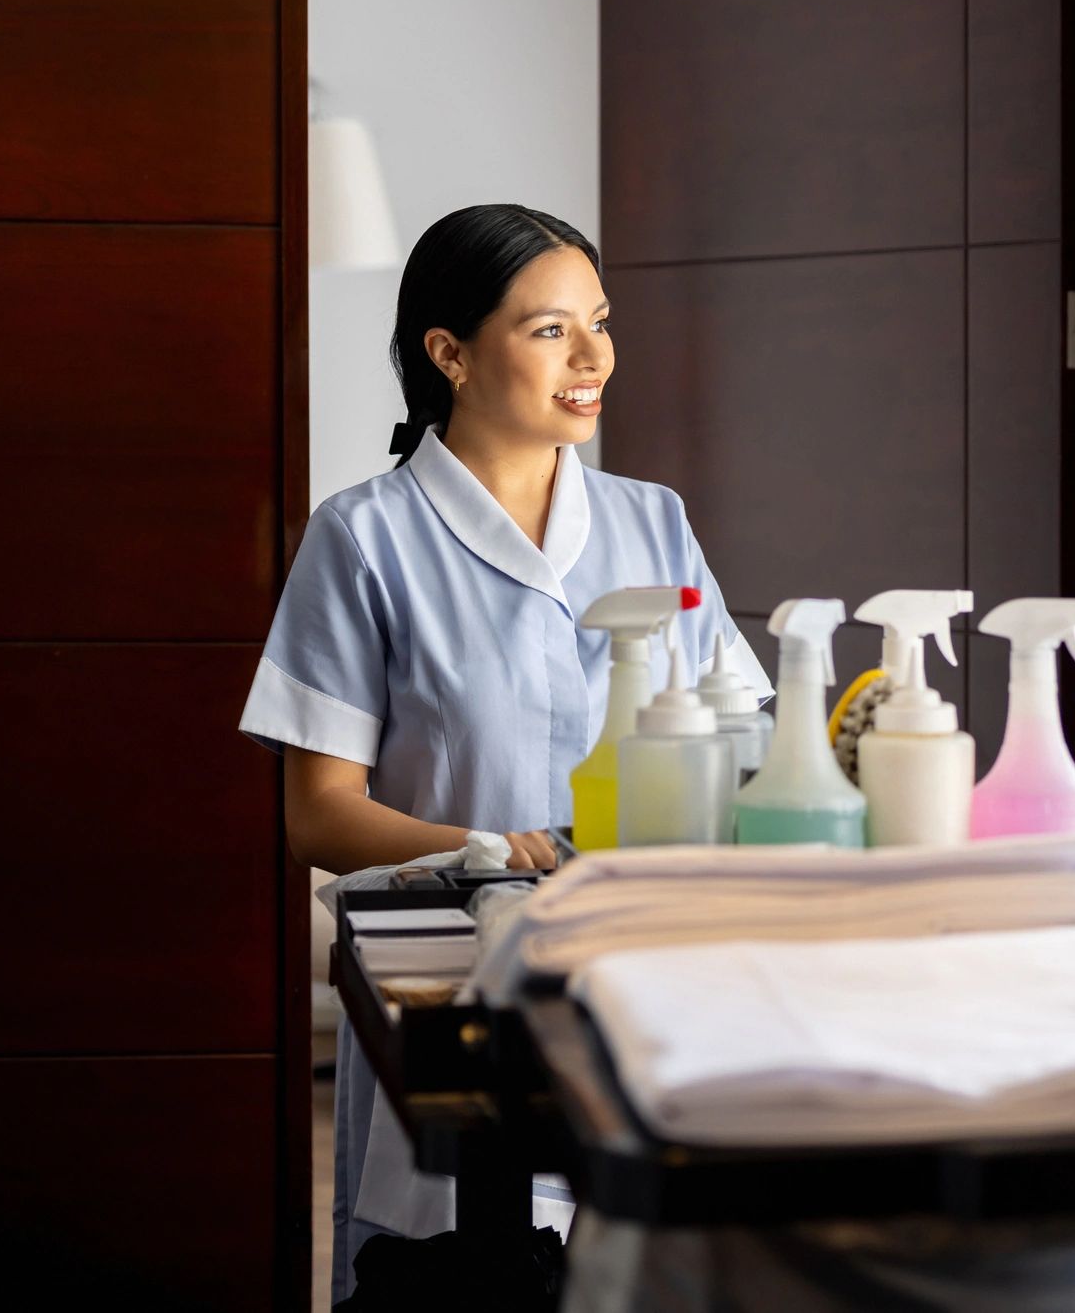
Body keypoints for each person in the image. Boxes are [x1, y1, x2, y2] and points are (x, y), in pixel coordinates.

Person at [237, 204, 772, 1302]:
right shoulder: (365, 538)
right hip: (457, 1004)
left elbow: (742, 744)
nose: (593, 360)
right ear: (450, 353)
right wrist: (489, 854)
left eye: (601, 324)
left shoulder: (653, 522)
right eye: (547, 331)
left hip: (650, 995)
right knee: (478, 1273)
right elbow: (317, 815)